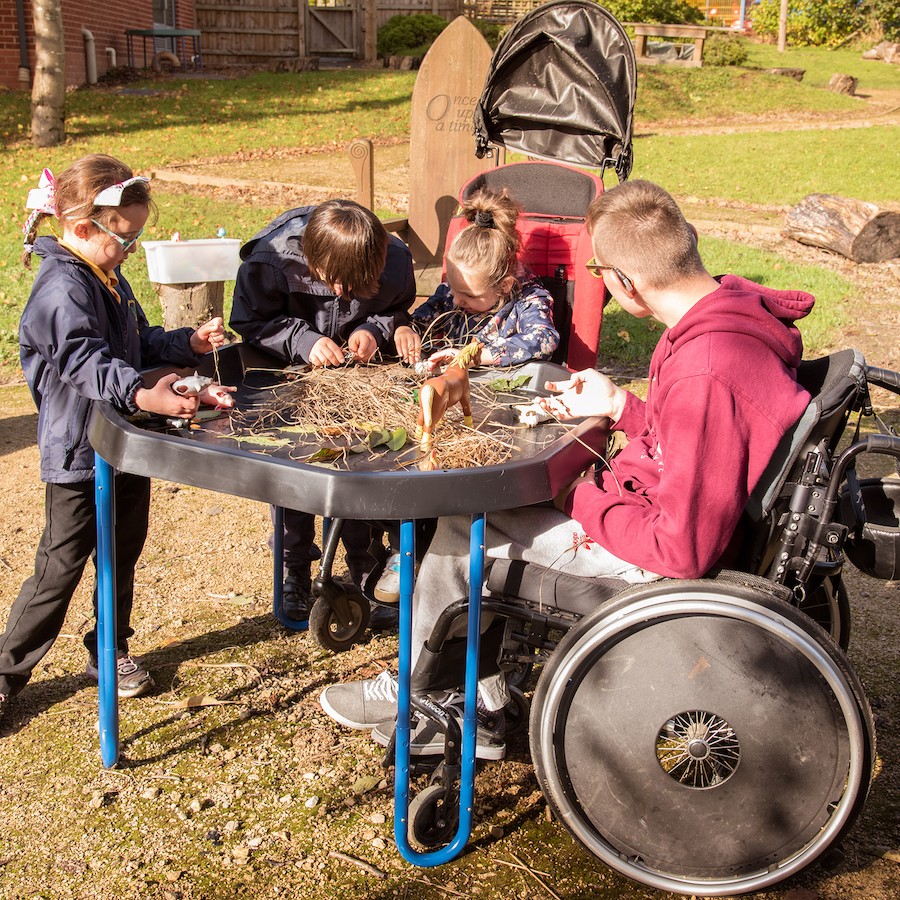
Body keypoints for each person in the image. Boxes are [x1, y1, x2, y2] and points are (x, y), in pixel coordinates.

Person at [319, 179, 815, 759]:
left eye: (600, 272)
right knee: (489, 512)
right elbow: (698, 436)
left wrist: (575, 496)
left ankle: (426, 693)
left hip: (657, 566)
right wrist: (620, 407)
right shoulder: (724, 320)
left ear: (625, 284)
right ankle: (477, 696)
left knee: (463, 527)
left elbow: (683, 548)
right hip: (646, 504)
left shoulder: (708, 369)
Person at [0, 154, 228, 717]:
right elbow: (89, 363)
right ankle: (5, 673)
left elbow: (138, 343)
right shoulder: (61, 291)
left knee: (122, 552)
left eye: (136, 239)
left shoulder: (107, 273)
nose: (130, 250)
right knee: (60, 567)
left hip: (124, 442)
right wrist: (144, 394)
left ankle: (109, 647)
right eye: (124, 240)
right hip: (78, 454)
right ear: (82, 229)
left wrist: (187, 346)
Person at [229, 200, 419, 627]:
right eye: (333, 284)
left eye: (354, 289)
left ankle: (363, 564)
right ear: (312, 261)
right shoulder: (271, 262)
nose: (340, 295)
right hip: (291, 379)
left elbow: (397, 310)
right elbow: (249, 320)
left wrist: (373, 329)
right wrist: (303, 340)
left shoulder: (396, 260)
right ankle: (294, 570)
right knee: (297, 472)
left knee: (358, 462)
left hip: (357, 380)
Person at [372, 187, 561, 604]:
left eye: (469, 296)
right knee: (409, 450)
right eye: (451, 289)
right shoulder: (453, 294)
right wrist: (406, 331)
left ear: (505, 284)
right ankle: (402, 546)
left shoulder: (530, 300)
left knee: (452, 472)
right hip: (448, 410)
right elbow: (424, 322)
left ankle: (433, 551)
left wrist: (476, 354)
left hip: (499, 413)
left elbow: (543, 340)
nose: (455, 301)